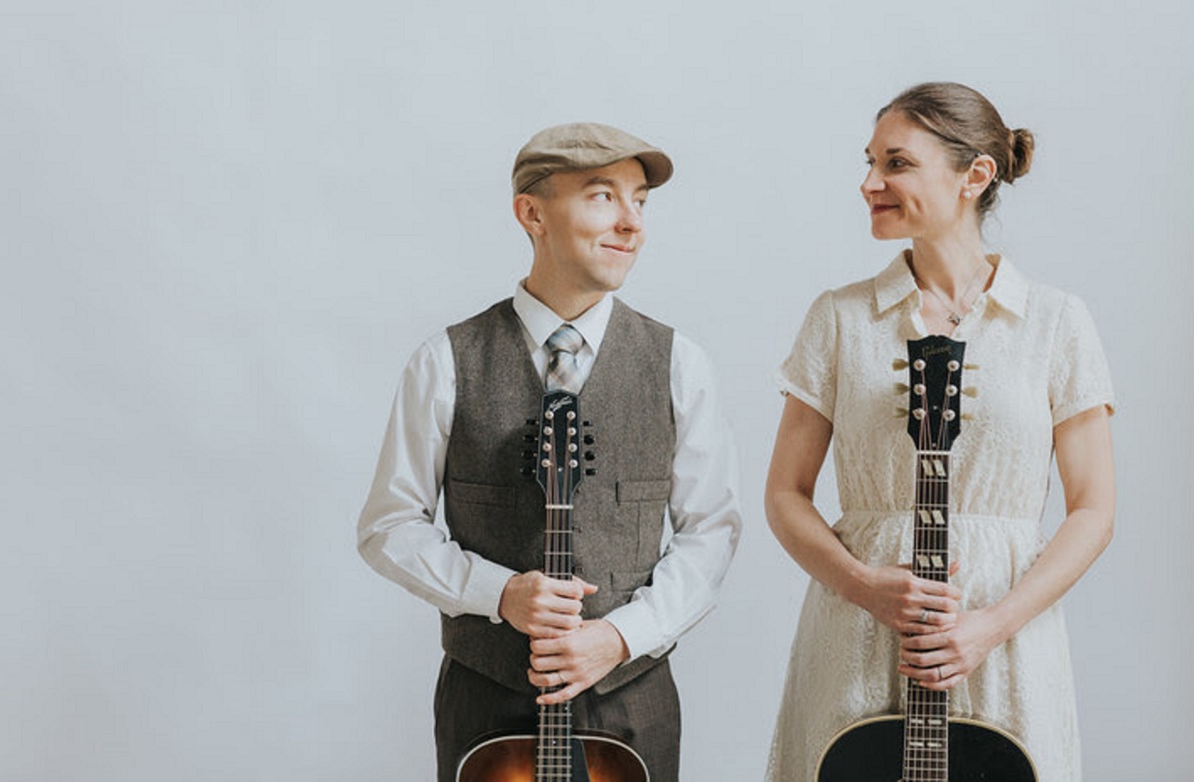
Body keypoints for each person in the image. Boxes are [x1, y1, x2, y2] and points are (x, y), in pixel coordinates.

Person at [357, 122, 742, 782]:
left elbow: (713, 530)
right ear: (530, 213)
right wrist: (499, 592)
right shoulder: (446, 363)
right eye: (602, 196)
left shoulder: (679, 364)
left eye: (640, 200)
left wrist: (619, 637)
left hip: (632, 702)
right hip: (487, 704)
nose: (632, 224)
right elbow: (389, 527)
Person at [764, 83, 1115, 781]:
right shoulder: (839, 319)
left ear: (974, 175)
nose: (870, 183)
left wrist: (991, 626)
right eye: (868, 163)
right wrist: (864, 585)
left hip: (1005, 636)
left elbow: (1094, 510)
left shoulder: (1055, 322)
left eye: (896, 163)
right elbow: (784, 494)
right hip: (860, 635)